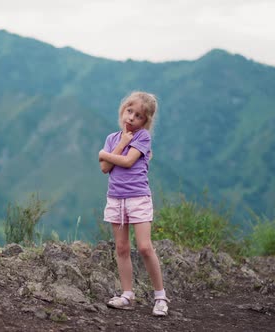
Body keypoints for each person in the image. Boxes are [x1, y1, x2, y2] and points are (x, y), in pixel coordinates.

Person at [98, 91, 169, 316]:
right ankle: (127, 294)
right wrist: (117, 146)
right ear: (123, 110)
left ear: (145, 121)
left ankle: (160, 297)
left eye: (138, 116)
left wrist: (104, 154)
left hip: (138, 198)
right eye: (129, 111)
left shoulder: (143, 137)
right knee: (121, 248)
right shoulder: (112, 138)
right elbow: (104, 168)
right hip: (116, 199)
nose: (131, 118)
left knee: (145, 247)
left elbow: (128, 162)